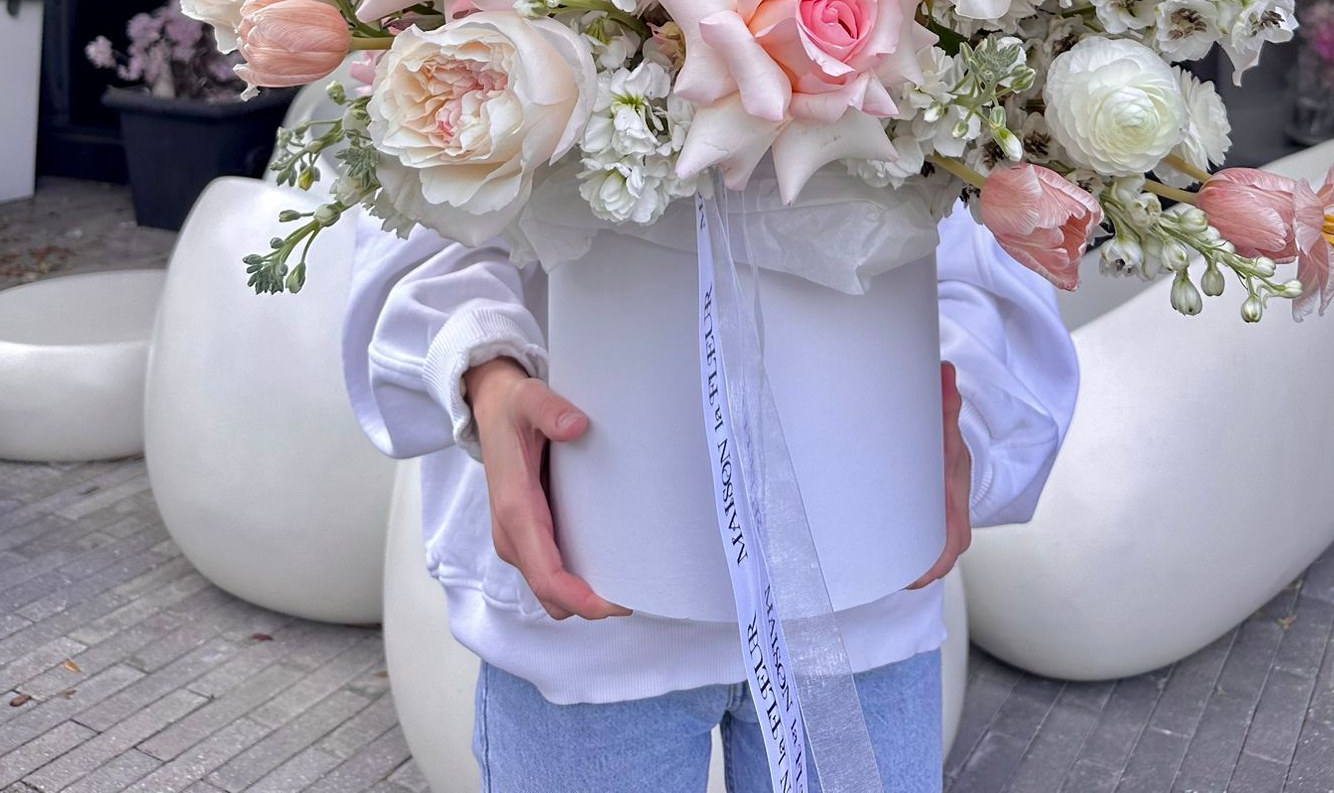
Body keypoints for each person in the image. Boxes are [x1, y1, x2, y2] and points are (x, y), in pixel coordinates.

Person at [343, 200, 1079, 792]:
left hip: (856, 587)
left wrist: (966, 416)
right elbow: (419, 195)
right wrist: (485, 367)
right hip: (590, 583)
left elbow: (977, 215)